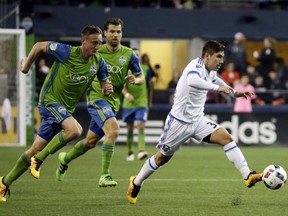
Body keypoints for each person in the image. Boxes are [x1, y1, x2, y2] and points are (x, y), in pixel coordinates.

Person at [127, 40, 262, 205]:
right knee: (161, 158)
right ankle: (136, 182)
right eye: (218, 57)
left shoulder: (211, 70)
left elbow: (216, 79)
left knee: (226, 138)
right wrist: (218, 89)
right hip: (179, 122)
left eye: (222, 57)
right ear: (206, 56)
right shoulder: (194, 66)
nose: (221, 61)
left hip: (198, 120)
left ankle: (247, 176)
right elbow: (193, 81)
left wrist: (233, 92)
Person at [0, 25, 113, 202]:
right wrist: (26, 68)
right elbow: (38, 46)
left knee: (33, 150)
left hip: (64, 110)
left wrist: (107, 87)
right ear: (83, 41)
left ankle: (4, 183)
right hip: (49, 101)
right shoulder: (66, 52)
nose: (97, 47)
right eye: (94, 43)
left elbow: (105, 82)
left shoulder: (98, 62)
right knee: (75, 130)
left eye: (100, 43)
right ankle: (40, 160)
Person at [55, 18, 145, 187]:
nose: (115, 35)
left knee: (90, 142)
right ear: (105, 33)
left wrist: (136, 79)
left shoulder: (128, 54)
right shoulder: (96, 51)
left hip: (113, 104)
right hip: (97, 99)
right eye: (112, 31)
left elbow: (141, 77)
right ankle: (105, 175)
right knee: (114, 130)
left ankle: (64, 159)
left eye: (118, 31)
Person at [122, 48, 149, 161]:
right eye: (134, 55)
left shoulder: (145, 69)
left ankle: (142, 150)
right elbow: (122, 88)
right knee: (129, 128)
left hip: (141, 102)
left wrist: (150, 100)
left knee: (140, 125)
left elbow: (150, 85)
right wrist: (127, 95)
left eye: (138, 55)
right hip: (129, 104)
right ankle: (129, 152)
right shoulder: (124, 70)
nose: (136, 57)